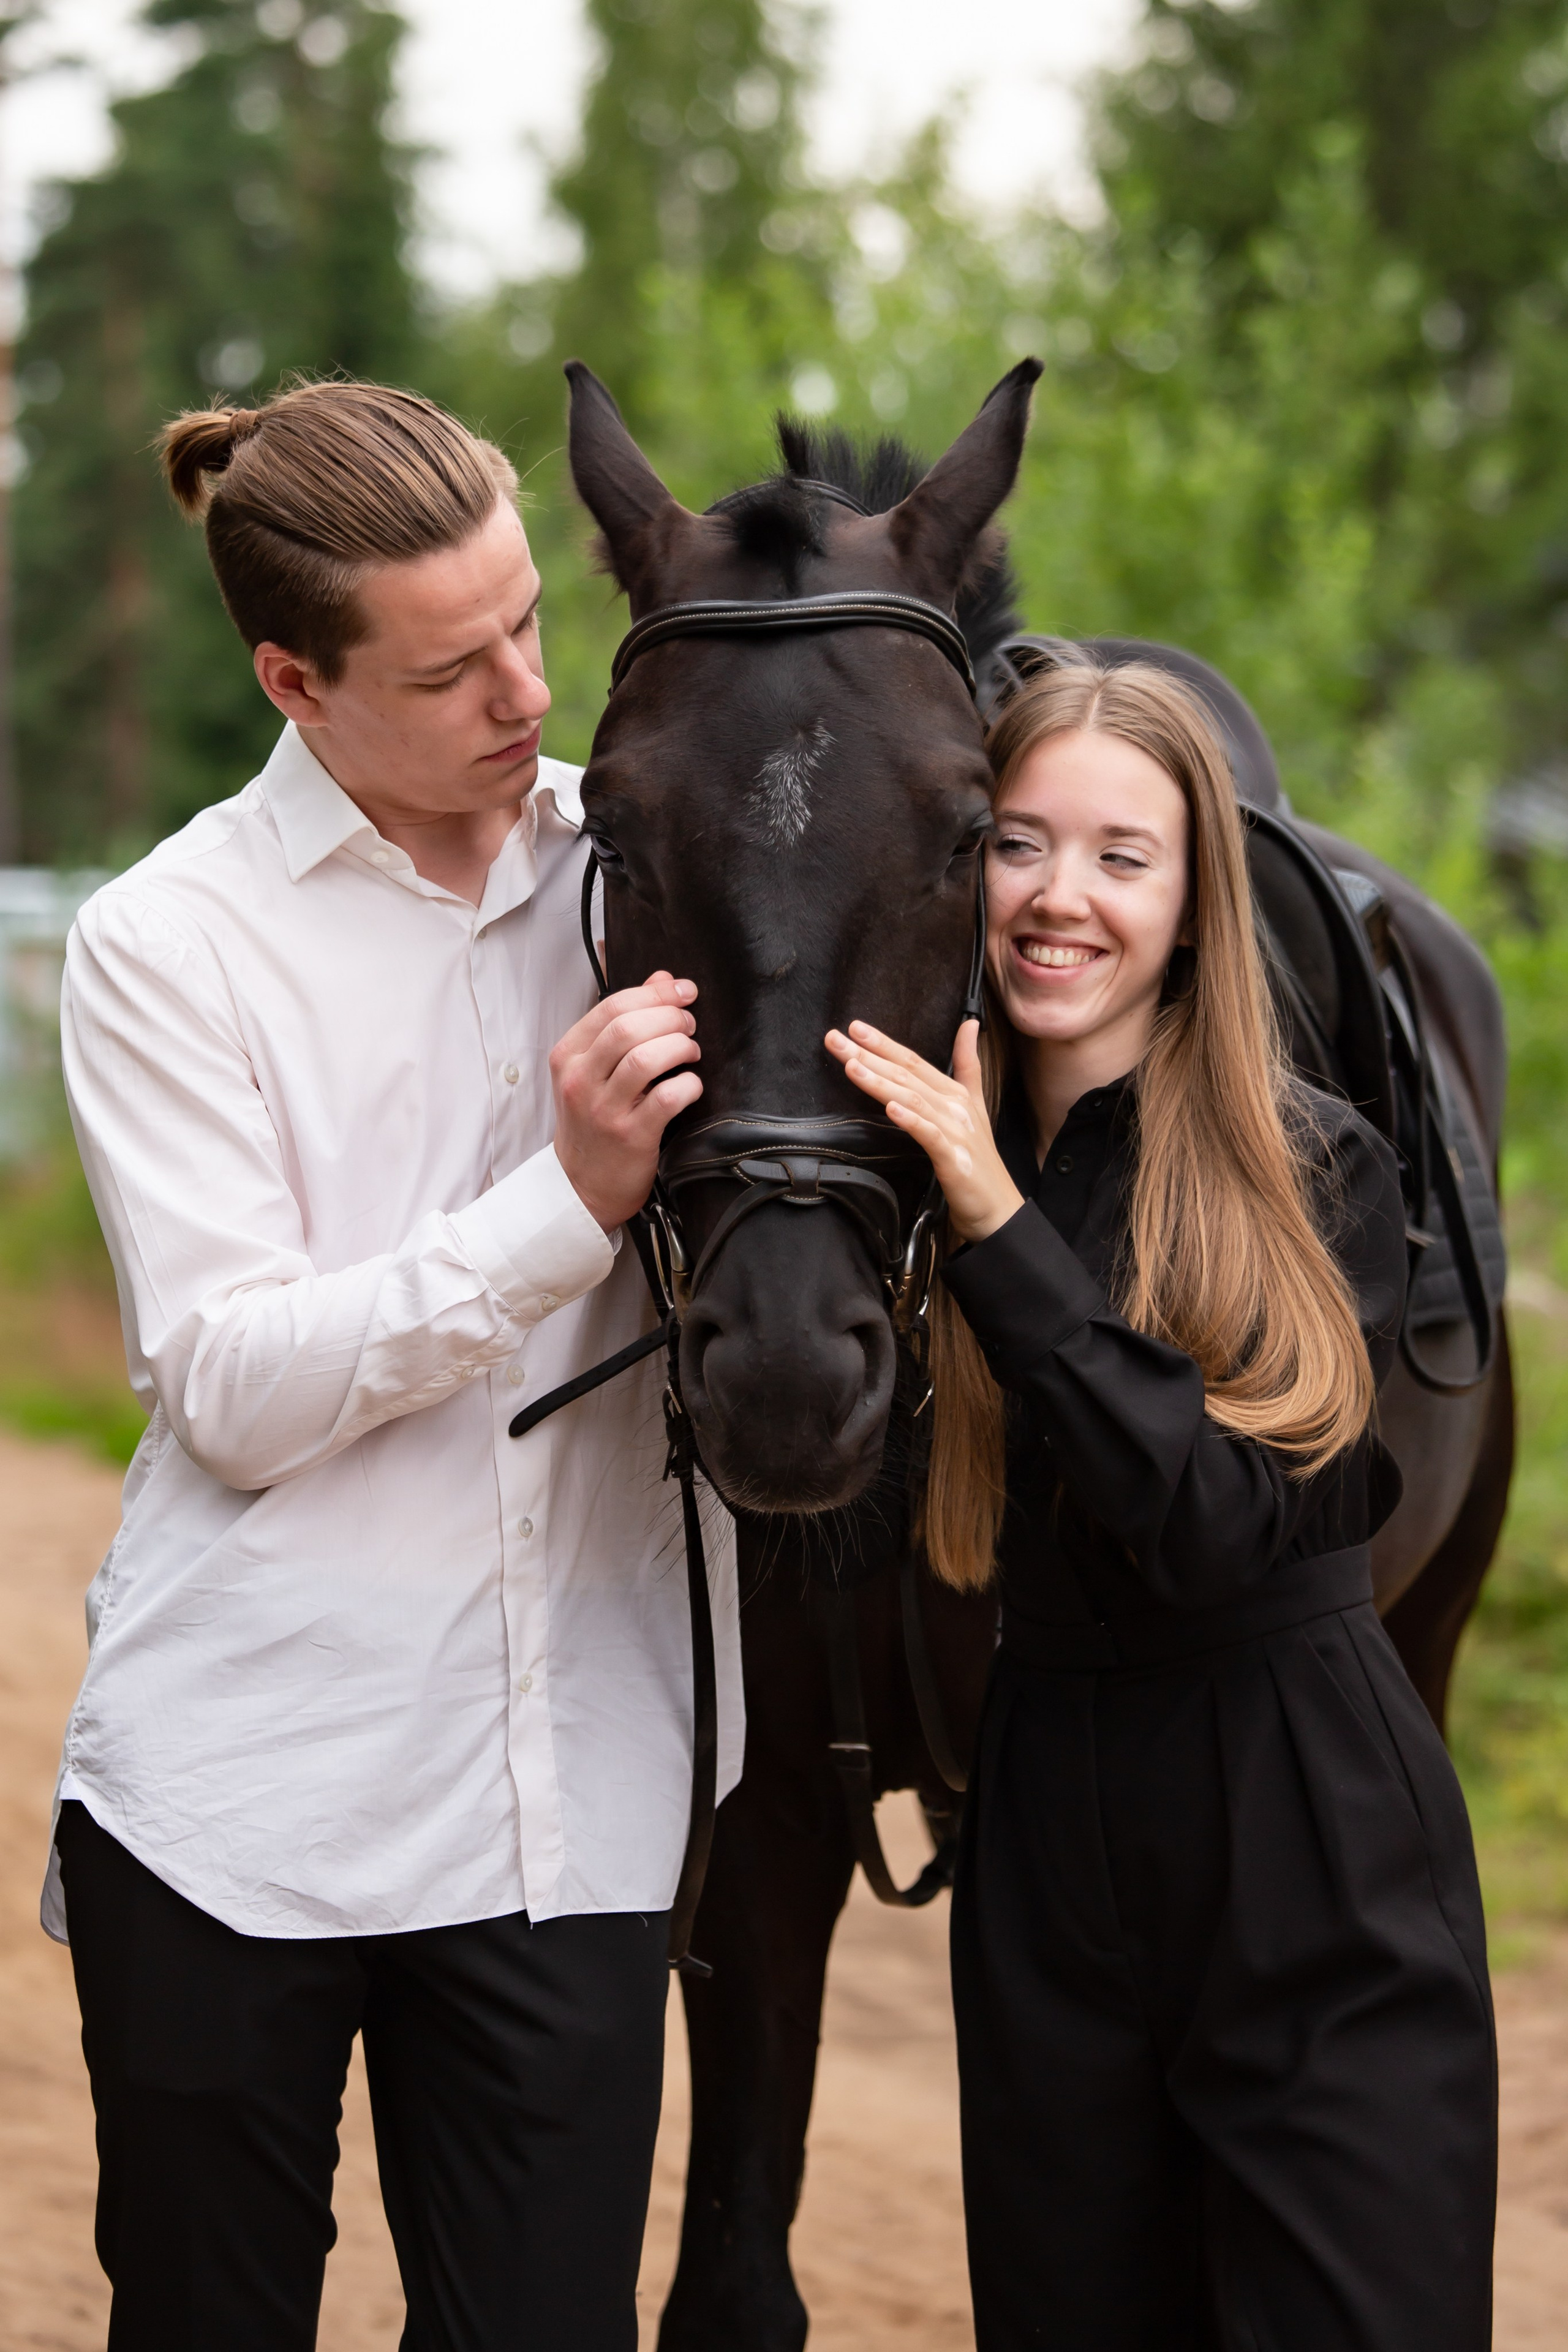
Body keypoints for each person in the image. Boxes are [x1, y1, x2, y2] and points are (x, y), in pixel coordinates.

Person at [44, 379, 742, 2352]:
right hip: (243, 1810)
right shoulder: (169, 943)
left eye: (532, 622)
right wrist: (565, 1199)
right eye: (451, 667)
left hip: (571, 1800)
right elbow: (235, 1385)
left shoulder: (641, 869)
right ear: (293, 681)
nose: (523, 692)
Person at [826, 657, 1496, 2350]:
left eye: (1123, 858)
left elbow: (1208, 1528)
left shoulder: (1310, 1163)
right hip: (1048, 1818)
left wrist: (997, 1228)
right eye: (1022, 844)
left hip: (1301, 1820)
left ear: (1197, 902)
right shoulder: (910, 1169)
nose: (1062, 899)